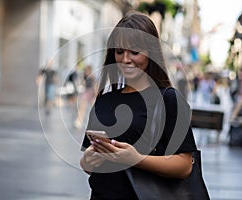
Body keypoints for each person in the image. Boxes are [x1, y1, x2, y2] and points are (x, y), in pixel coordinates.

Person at [80, 11, 197, 199]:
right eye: (119, 52)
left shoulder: (168, 99)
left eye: (134, 52)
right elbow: (89, 163)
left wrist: (136, 159)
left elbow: (185, 166)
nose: (125, 59)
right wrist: (87, 160)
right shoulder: (105, 98)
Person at [74, 65, 96, 129]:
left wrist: (95, 94)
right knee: (82, 107)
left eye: (87, 70)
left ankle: (96, 122)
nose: (86, 72)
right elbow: (82, 83)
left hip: (91, 92)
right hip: (86, 92)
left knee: (94, 108)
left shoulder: (92, 76)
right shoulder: (85, 76)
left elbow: (95, 85)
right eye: (85, 70)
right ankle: (78, 121)